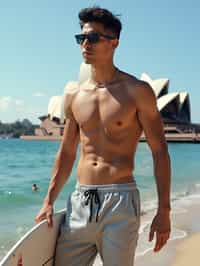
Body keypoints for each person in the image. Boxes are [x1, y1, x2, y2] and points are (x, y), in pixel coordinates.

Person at [35, 6, 171, 266]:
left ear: (114, 43)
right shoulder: (74, 95)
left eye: (93, 38)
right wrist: (48, 200)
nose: (85, 43)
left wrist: (164, 210)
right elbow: (67, 152)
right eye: (81, 38)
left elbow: (159, 151)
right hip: (80, 200)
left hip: (120, 200)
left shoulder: (137, 91)